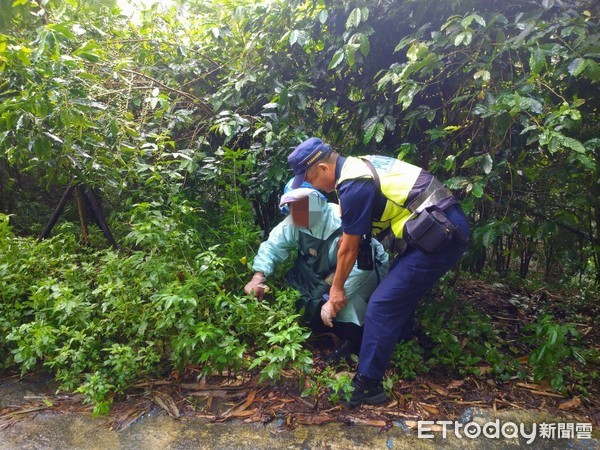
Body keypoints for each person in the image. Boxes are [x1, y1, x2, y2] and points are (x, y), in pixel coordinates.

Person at [287, 137, 470, 407]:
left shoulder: (352, 184)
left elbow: (348, 250)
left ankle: (368, 385)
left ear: (324, 168)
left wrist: (336, 289)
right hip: (435, 229)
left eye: (311, 179)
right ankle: (397, 341)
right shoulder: (356, 168)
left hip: (440, 233)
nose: (313, 186)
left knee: (382, 304)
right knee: (393, 291)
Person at [244, 180, 389, 360]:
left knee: (351, 298)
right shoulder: (292, 223)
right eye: (293, 205)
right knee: (300, 294)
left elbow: (362, 267)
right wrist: (258, 276)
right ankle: (320, 327)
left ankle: (354, 341)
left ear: (319, 200)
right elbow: (272, 246)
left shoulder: (342, 219)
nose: (300, 210)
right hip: (322, 272)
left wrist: (332, 300)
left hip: (366, 269)